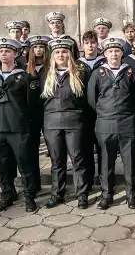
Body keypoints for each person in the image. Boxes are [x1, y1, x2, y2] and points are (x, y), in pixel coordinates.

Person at [87, 38, 135, 210]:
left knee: (130, 162)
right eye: (110, 51)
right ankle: (106, 195)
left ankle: (131, 195)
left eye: (117, 51)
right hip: (105, 123)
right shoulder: (98, 73)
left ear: (122, 53)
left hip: (127, 123)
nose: (114, 54)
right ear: (105, 54)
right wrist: (105, 113)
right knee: (106, 162)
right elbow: (92, 99)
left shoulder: (131, 72)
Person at [0, 37, 37, 213]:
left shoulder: (25, 77)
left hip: (19, 127)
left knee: (25, 164)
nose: (3, 54)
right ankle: (7, 195)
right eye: (1, 51)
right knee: (3, 164)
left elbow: (31, 105)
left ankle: (30, 196)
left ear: (15, 54)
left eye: (7, 51)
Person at [41, 37, 92, 209]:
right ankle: (57, 193)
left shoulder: (81, 72)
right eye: (57, 52)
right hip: (52, 122)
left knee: (78, 159)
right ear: (52, 55)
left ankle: (82, 194)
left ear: (70, 54)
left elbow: (87, 100)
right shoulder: (45, 74)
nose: (61, 55)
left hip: (75, 121)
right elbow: (38, 101)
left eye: (64, 52)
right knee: (57, 161)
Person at [77, 30, 104, 188]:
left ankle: (102, 177)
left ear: (97, 44)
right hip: (83, 111)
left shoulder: (103, 63)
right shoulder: (77, 64)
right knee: (85, 146)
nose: (90, 46)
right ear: (82, 45)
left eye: (93, 43)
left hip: (101, 110)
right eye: (87, 43)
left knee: (101, 146)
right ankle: (88, 177)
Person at [26, 35, 52, 193]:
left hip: (47, 111)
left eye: (41, 47)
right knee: (32, 149)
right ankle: (35, 183)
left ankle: (56, 183)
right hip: (31, 113)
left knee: (52, 149)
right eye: (35, 47)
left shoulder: (50, 67)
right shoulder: (25, 67)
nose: (38, 50)